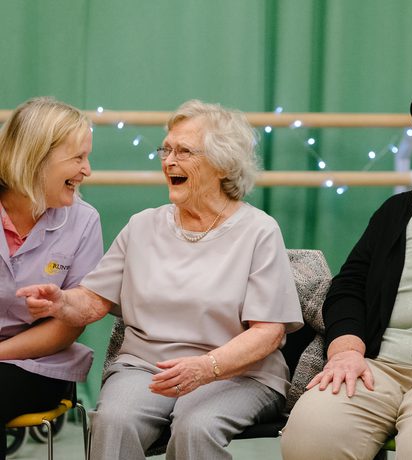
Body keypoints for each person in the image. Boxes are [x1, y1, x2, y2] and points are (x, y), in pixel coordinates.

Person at [18, 99, 304, 460]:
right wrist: (61, 301)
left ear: (222, 164)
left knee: (196, 426)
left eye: (184, 151)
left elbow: (269, 331)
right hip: (144, 368)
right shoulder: (143, 225)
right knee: (113, 421)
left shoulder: (258, 231)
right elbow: (92, 301)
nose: (169, 160)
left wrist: (207, 367)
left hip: (236, 373)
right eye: (166, 149)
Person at [280, 82, 412, 460]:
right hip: (378, 367)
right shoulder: (395, 211)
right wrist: (346, 350)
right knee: (310, 432)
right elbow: (349, 288)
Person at [0, 97, 103, 459]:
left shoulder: (83, 221)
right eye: (77, 158)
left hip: (37, 363)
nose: (87, 170)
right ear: (36, 157)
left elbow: (70, 324)